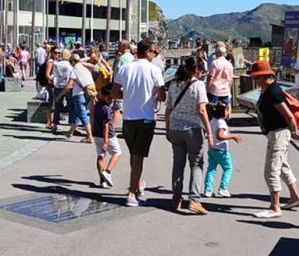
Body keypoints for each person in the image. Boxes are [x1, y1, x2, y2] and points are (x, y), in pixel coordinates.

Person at [112, 39, 165, 208]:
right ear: (148, 52)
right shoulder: (154, 70)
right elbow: (162, 97)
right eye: (154, 52)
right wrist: (153, 96)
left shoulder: (124, 68)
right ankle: (131, 193)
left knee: (134, 155)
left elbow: (114, 93)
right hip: (146, 118)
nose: (154, 54)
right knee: (138, 158)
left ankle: (138, 183)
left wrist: (128, 97)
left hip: (128, 118)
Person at [247, 60, 299, 218]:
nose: (254, 80)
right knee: (282, 167)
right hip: (275, 133)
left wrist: (294, 131)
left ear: (266, 76)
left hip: (279, 133)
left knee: (271, 171)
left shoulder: (273, 93)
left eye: (256, 77)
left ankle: (275, 207)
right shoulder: (268, 89)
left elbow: (289, 116)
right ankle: (295, 197)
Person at [164, 55, 214, 215]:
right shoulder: (198, 85)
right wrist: (210, 132)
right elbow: (201, 110)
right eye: (202, 70)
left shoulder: (173, 84)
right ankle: (194, 200)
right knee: (196, 164)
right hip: (193, 129)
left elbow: (168, 109)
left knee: (178, 164)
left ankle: (176, 198)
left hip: (175, 128)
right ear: (196, 70)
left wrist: (167, 128)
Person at [203, 101, 242, 198]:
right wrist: (233, 136)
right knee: (228, 168)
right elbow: (220, 136)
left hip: (212, 149)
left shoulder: (212, 121)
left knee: (211, 169)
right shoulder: (222, 123)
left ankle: (208, 190)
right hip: (222, 151)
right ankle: (223, 188)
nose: (228, 112)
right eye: (227, 110)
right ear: (223, 112)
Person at [92, 84, 120, 188]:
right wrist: (106, 141)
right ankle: (107, 172)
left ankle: (102, 180)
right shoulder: (106, 109)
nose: (111, 100)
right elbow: (106, 125)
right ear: (104, 96)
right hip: (108, 135)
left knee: (100, 156)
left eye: (112, 98)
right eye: (109, 98)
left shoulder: (98, 105)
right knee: (117, 153)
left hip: (96, 134)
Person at [66, 53, 94, 143]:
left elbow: (69, 85)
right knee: (77, 114)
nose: (70, 64)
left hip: (79, 95)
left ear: (73, 62)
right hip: (88, 93)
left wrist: (59, 95)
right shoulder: (84, 69)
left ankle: (90, 137)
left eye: (70, 62)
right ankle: (70, 132)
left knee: (83, 115)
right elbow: (93, 67)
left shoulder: (74, 70)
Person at [205, 42, 234, 115]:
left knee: (213, 109)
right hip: (226, 90)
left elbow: (210, 77)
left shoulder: (215, 63)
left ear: (217, 53)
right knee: (225, 109)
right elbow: (231, 79)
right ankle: (225, 122)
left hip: (214, 90)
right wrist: (229, 88)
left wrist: (207, 89)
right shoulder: (229, 64)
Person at [52, 49, 75, 135]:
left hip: (58, 85)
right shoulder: (70, 65)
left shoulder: (56, 64)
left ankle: (55, 125)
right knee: (71, 106)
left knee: (57, 106)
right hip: (68, 86)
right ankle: (72, 124)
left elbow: (55, 75)